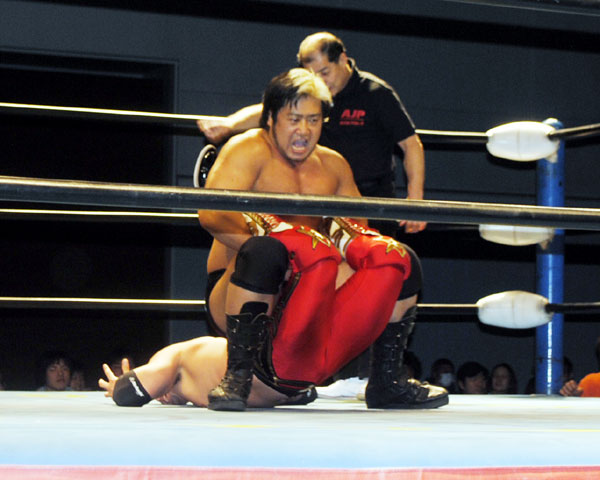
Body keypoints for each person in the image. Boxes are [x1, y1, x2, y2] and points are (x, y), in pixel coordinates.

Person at [197, 67, 447, 411]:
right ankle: (237, 377)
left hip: (305, 286)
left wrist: (317, 257)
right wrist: (285, 248)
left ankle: (387, 382)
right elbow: (211, 214)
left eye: (313, 120)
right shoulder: (247, 150)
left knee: (398, 258)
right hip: (237, 288)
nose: (304, 130)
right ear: (270, 119)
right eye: (294, 119)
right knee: (266, 251)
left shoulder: (333, 165)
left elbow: (358, 234)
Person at [197, 31, 425, 236]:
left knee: (378, 256)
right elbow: (275, 110)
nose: (320, 81)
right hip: (322, 194)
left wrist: (415, 200)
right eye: (313, 74)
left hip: (371, 197)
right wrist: (229, 124)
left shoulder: (376, 94)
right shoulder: (309, 99)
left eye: (325, 72)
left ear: (342, 59)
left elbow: (411, 144)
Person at [98, 337, 311, 407]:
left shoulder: (171, 356)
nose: (162, 399)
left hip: (268, 364)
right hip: (297, 374)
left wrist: (118, 386)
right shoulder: (194, 382)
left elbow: (132, 392)